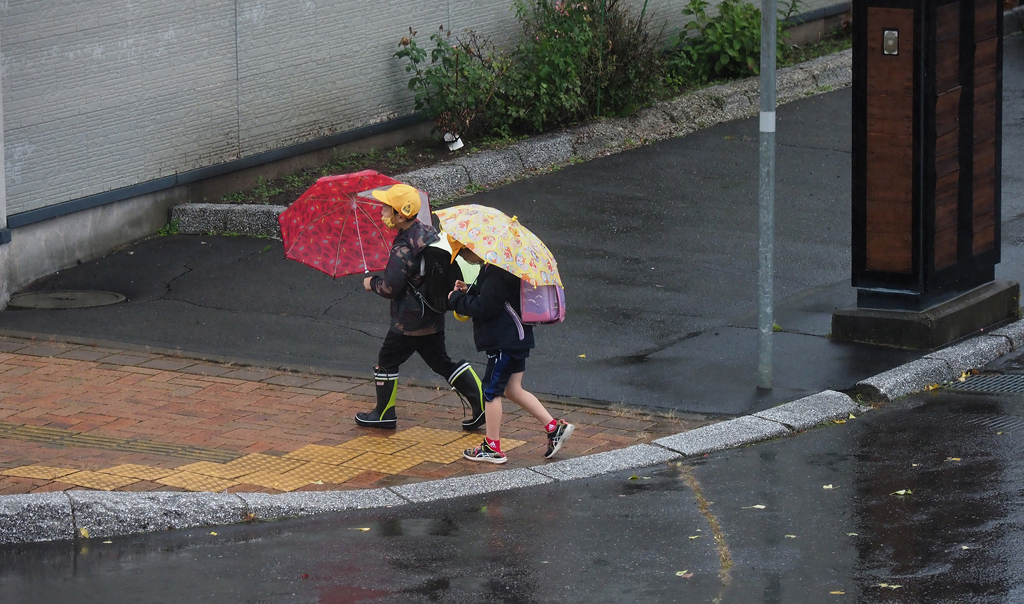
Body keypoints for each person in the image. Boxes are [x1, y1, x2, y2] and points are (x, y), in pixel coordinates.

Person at [356, 184, 485, 430]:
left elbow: (390, 288)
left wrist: (371, 283)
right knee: (441, 362)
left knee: (387, 360)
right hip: (433, 315)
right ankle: (481, 404)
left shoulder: (402, 249)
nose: (382, 213)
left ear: (400, 215)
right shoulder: (427, 233)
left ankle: (383, 414)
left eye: (386, 208)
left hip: (408, 322)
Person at [446, 242, 574, 464]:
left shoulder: (496, 270)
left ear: (474, 248)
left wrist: (456, 300)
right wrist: (469, 289)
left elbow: (484, 307)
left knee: (490, 391)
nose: (465, 259)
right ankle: (554, 428)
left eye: (464, 254)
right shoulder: (497, 265)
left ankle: (492, 447)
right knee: (513, 389)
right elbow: (493, 297)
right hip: (516, 339)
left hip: (504, 342)